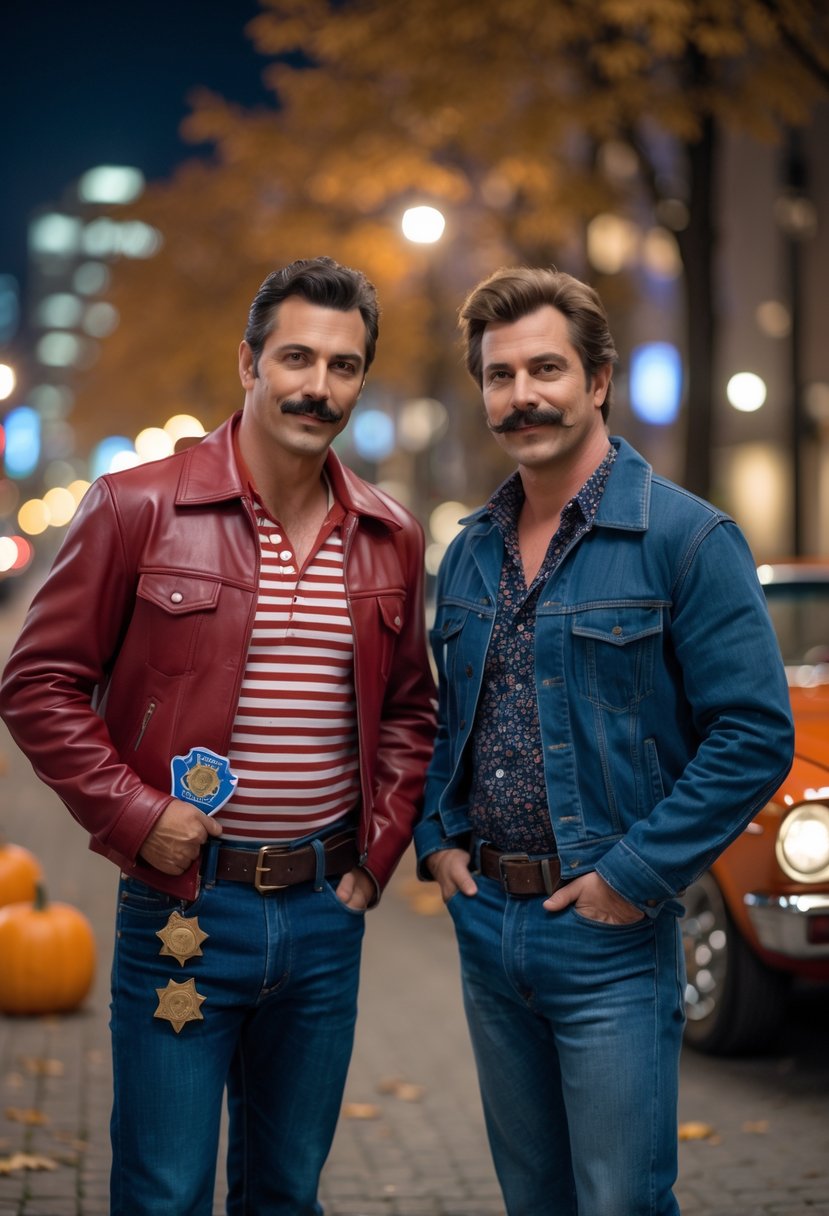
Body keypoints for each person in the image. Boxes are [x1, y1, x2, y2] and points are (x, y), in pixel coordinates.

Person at [0, 255, 436, 1216]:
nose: (317, 386)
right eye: (295, 357)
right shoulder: (136, 506)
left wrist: (380, 849)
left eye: (343, 366)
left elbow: (410, 710)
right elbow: (35, 683)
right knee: (162, 1195)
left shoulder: (388, 533)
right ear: (247, 364)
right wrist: (135, 816)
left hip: (327, 912)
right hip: (183, 910)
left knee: (286, 1193)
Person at [413, 266, 794, 1216]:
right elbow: (441, 714)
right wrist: (436, 836)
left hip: (607, 938)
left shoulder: (686, 538)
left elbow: (752, 734)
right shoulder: (467, 552)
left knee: (619, 1200)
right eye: (500, 377)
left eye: (546, 369)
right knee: (531, 1197)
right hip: (486, 921)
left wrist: (631, 879)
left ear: (597, 381)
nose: (521, 396)